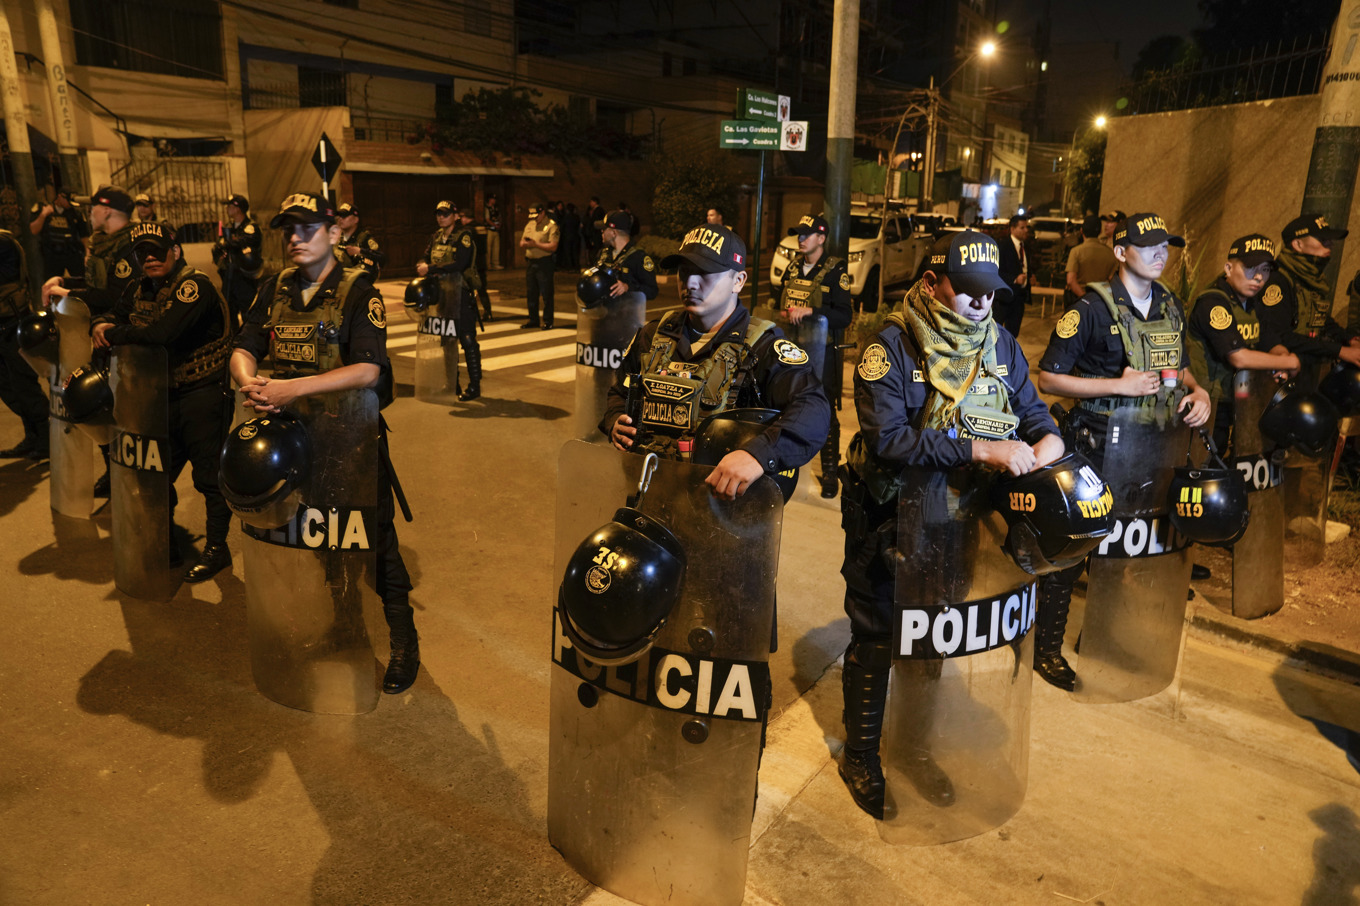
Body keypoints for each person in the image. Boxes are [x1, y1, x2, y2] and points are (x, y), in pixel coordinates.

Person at [838, 229, 1065, 818]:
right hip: (891, 519)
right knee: (879, 633)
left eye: (990, 293)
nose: (981, 304)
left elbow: (1036, 414)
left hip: (959, 523)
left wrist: (1047, 444)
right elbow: (887, 440)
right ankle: (861, 753)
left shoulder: (1001, 345)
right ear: (933, 282)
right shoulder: (891, 348)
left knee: (933, 633)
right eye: (968, 292)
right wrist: (979, 451)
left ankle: (912, 748)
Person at [230, 191, 418, 695]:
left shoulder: (360, 291)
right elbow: (245, 345)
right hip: (297, 446)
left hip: (350, 441)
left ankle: (403, 643)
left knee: (376, 548)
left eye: (307, 228)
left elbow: (367, 368)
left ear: (333, 234)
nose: (295, 239)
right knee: (324, 543)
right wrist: (249, 381)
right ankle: (344, 625)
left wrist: (291, 389)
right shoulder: (275, 288)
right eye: (288, 230)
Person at [1033, 212, 1211, 690]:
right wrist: (1120, 385)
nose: (1160, 253)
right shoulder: (1090, 309)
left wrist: (1201, 394)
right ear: (1120, 253)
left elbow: (1183, 368)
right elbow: (1048, 378)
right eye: (1149, 244)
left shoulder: (1169, 306)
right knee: (1075, 550)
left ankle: (1106, 635)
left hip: (1151, 448)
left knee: (1128, 550)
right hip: (1095, 445)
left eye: (1165, 245)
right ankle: (1046, 649)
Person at [601, 221, 830, 500]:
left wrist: (758, 454)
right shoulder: (653, 336)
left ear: (738, 281)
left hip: (722, 519)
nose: (690, 283)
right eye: (684, 272)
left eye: (705, 273)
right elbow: (620, 392)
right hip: (650, 500)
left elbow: (814, 410)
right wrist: (615, 420)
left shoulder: (763, 347)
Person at [91, 221, 234, 582]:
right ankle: (165, 542)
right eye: (142, 253)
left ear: (175, 250)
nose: (150, 258)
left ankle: (217, 549)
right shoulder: (139, 287)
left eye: (157, 250)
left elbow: (161, 335)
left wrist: (114, 332)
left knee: (209, 478)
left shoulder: (193, 286)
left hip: (201, 395)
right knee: (155, 473)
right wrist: (102, 323)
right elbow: (115, 313)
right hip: (158, 397)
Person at [1187, 234, 1303, 450]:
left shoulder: (1253, 303)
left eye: (1266, 270)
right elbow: (1238, 357)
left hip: (1242, 402)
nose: (1259, 277)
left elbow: (1270, 341)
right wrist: (1290, 363)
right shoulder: (1213, 302)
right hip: (1208, 405)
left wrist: (1282, 356)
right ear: (1229, 268)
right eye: (1251, 268)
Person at [777, 213, 853, 498]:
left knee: (826, 411)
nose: (800, 239)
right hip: (791, 352)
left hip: (823, 355)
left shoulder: (835, 272)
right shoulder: (793, 268)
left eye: (806, 235)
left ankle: (830, 473)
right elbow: (779, 302)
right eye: (798, 234)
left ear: (821, 239)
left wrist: (811, 312)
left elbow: (844, 316)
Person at [1263, 214, 1360, 374]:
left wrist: (1348, 338)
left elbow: (1318, 319)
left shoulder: (1309, 278)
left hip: (1304, 370)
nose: (1330, 245)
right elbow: (1279, 335)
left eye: (1330, 241)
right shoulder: (1277, 281)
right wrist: (1339, 350)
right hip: (1277, 375)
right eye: (1323, 240)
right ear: (1298, 244)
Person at [417, 201, 482, 400]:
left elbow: (460, 264)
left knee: (467, 339)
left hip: (461, 294)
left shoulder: (464, 236)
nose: (441, 217)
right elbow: (426, 257)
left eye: (445, 214)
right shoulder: (436, 236)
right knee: (447, 339)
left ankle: (474, 386)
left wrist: (432, 269)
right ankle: (452, 382)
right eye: (438, 214)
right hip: (443, 294)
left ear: (455, 216)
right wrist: (422, 264)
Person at [0, 228, 50, 460]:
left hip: (12, 323)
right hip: (3, 324)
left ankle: (46, 438)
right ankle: (32, 436)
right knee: (7, 386)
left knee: (23, 384)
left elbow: (7, 276)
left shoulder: (4, 241)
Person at [213, 194, 263, 322]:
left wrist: (227, 244)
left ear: (238, 209)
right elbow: (219, 246)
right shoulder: (228, 228)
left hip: (244, 277)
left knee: (248, 311)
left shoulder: (250, 227)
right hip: (229, 276)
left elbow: (246, 240)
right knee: (228, 311)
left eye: (229, 206)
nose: (227, 209)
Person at [592, 211, 659, 301]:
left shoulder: (638, 257)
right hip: (604, 312)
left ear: (613, 233)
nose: (601, 231)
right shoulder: (603, 254)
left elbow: (652, 291)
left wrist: (628, 287)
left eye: (604, 229)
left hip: (628, 312)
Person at [29, 189, 89, 281]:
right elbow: (34, 230)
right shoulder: (43, 209)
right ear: (60, 196)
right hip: (52, 256)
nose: (70, 204)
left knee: (81, 280)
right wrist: (43, 214)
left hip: (72, 253)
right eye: (68, 201)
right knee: (52, 283)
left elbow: (84, 236)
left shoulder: (75, 213)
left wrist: (87, 254)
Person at [1065, 214, 1119, 308]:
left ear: (1081, 231)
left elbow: (1071, 280)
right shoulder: (1110, 253)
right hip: (1101, 301)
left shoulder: (1076, 252)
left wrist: (1085, 298)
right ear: (1100, 231)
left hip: (1079, 301)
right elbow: (1112, 280)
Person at [520, 204, 560, 329]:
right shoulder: (530, 224)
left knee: (546, 293)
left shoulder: (551, 226)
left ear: (542, 213)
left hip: (544, 263)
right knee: (531, 292)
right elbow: (521, 243)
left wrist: (535, 244)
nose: (534, 218)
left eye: (536, 216)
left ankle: (548, 321)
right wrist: (526, 243)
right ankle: (533, 319)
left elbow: (553, 246)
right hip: (531, 263)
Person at [995, 212, 1033, 338]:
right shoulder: (1003, 246)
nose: (1025, 230)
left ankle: (1009, 356)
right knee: (997, 333)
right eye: (1022, 227)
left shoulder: (1026, 247)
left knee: (1013, 334)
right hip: (1003, 297)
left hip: (1019, 298)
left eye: (1026, 227)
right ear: (1012, 228)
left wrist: (1031, 277)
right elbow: (997, 271)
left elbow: (1026, 266)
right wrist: (1014, 279)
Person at [459, 207, 494, 322]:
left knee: (468, 289)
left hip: (471, 264)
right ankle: (488, 312)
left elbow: (467, 248)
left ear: (466, 217)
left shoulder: (467, 230)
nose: (461, 220)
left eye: (462, 217)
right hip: (481, 262)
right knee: (482, 289)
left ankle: (472, 313)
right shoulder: (481, 227)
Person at [333, 203, 385, 277]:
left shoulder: (363, 238)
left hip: (359, 281)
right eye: (340, 216)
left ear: (356, 219)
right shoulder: (336, 238)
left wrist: (360, 251)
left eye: (344, 216)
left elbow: (381, 258)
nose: (341, 219)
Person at [484, 193, 503, 270]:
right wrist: (494, 225)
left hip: (496, 230)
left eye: (495, 199)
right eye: (492, 199)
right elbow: (487, 219)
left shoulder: (496, 208)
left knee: (496, 248)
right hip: (489, 230)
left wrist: (499, 225)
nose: (494, 201)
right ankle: (488, 265)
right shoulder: (486, 208)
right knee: (488, 248)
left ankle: (495, 264)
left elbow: (499, 217)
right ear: (489, 199)